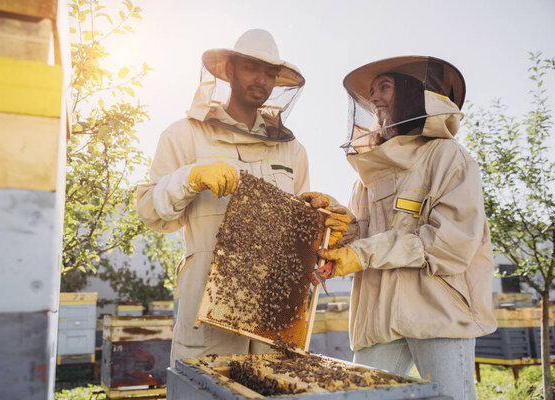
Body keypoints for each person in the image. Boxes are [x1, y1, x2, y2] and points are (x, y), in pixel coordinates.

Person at [136, 29, 349, 364]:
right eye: (252, 68)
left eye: (270, 73)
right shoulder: (185, 134)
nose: (262, 80)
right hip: (207, 310)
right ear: (230, 70)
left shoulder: (293, 151)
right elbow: (151, 212)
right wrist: (190, 179)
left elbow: (305, 230)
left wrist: (329, 219)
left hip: (274, 315)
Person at [303, 56, 497, 399]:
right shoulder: (369, 175)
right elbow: (367, 239)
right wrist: (343, 225)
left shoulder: (448, 157)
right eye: (372, 92)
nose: (374, 98)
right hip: (379, 317)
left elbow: (448, 244)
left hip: (439, 312)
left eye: (384, 87)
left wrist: (360, 253)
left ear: (411, 94)